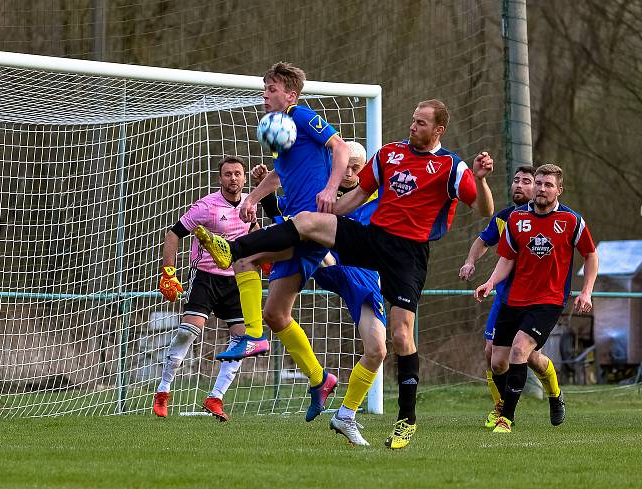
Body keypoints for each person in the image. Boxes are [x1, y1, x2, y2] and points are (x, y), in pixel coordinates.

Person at [194, 99, 495, 448]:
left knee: (397, 339)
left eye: (421, 123)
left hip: (407, 255)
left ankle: (403, 420)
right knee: (306, 222)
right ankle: (232, 251)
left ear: (438, 129)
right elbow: (357, 196)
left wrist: (482, 180)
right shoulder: (388, 155)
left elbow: (483, 209)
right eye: (412, 120)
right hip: (369, 240)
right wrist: (327, 211)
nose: (413, 127)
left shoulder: (452, 167)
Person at [206, 62, 351, 424]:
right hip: (294, 226)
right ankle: (321, 380)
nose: (265, 93)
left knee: (243, 257)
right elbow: (280, 174)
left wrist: (332, 187)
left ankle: (252, 335)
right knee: (276, 314)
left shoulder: (300, 115)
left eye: (271, 88)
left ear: (290, 94)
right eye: (264, 87)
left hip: (312, 224)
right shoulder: (280, 130)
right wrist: (252, 199)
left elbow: (340, 148)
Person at [252, 140, 387, 446]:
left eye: (357, 167)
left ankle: (346, 415)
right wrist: (266, 192)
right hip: (325, 262)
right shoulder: (318, 196)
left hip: (363, 274)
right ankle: (257, 332)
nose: (350, 172)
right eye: (347, 165)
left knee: (378, 349)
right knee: (274, 308)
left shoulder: (377, 196)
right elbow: (285, 217)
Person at [475, 164, 597, 433]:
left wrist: (586, 290)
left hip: (549, 300)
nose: (542, 189)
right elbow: (506, 259)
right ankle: (555, 393)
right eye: (539, 183)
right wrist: (490, 282)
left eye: (548, 185)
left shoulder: (572, 220)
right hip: (514, 298)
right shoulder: (516, 219)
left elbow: (590, 255)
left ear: (559, 190)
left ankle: (506, 418)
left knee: (520, 349)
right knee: (497, 361)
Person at [152, 156, 259, 422]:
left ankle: (215, 397)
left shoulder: (250, 205)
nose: (233, 178)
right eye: (227, 174)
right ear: (220, 178)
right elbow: (173, 234)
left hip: (237, 281)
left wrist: (265, 260)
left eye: (237, 174)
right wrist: (168, 271)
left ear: (244, 178)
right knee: (189, 332)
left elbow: (257, 235)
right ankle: (163, 390)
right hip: (205, 278)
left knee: (242, 342)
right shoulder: (207, 207)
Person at [459, 165, 565, 428]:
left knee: (528, 356)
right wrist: (470, 261)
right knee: (491, 354)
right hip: (507, 298)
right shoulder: (506, 217)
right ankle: (501, 408)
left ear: (540, 187)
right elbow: (482, 241)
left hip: (538, 301)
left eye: (526, 181)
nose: (519, 185)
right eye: (515, 180)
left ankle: (553, 393)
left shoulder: (560, 218)